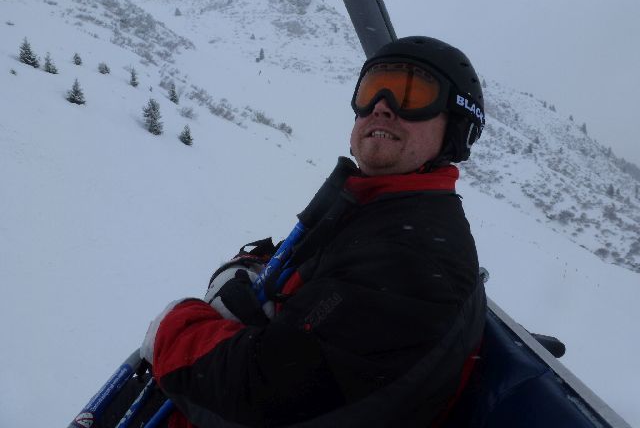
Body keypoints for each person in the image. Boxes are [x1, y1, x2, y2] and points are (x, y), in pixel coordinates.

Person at [140, 36, 487, 428]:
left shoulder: (415, 257)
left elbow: (262, 390)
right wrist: (257, 267)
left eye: (413, 94)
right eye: (372, 90)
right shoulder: (383, 209)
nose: (382, 106)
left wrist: (173, 330)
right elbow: (324, 274)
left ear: (456, 127)